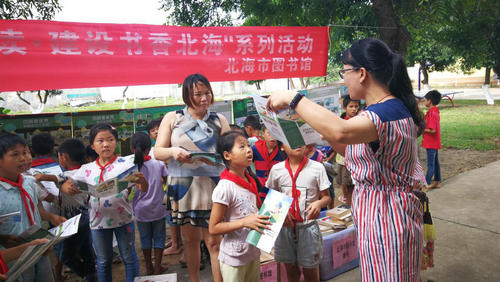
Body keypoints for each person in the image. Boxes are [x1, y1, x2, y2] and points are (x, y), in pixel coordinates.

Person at [267, 38, 426, 281]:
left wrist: (294, 98)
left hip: (388, 217)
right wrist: (319, 132)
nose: (344, 79)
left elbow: (342, 131)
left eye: (345, 72)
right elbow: (347, 144)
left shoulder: (386, 112)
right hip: (377, 215)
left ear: (362, 73)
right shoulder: (379, 111)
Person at [154, 73, 230, 282]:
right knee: (190, 241)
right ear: (187, 94)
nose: (204, 98)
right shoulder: (172, 118)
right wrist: (173, 152)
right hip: (184, 187)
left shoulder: (219, 120)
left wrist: (214, 160)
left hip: (213, 187)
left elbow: (229, 154)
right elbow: (158, 151)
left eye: (207, 93)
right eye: (198, 94)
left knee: (214, 242)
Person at [62, 123, 148, 282]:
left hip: (124, 219)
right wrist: (66, 187)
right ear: (92, 146)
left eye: (110, 139)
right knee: (103, 261)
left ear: (116, 141)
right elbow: (67, 183)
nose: (106, 144)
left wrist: (142, 182)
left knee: (129, 258)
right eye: (100, 141)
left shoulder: (126, 164)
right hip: (98, 223)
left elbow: (143, 188)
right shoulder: (87, 169)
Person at [0, 133, 66, 281]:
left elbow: (34, 208)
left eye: (25, 152)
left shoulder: (29, 182)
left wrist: (52, 217)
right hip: (13, 256)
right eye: (15, 154)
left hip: (39, 247)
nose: (24, 158)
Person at [209, 131, 270, 282]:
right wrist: (244, 222)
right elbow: (213, 228)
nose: (249, 150)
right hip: (233, 258)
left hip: (252, 252)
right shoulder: (225, 188)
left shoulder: (251, 181)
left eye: (249, 145)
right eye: (242, 147)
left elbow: (257, 212)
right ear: (227, 155)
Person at [266, 144, 331, 282]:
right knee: (291, 271)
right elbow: (272, 198)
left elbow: (327, 197)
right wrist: (280, 212)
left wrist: (318, 203)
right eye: (289, 141)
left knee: (311, 271)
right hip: (284, 228)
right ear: (282, 147)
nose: (296, 143)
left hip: (307, 227)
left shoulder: (317, 168)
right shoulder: (277, 170)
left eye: (298, 139)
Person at [36, 138, 96, 281]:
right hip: (85, 216)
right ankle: (91, 276)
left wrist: (38, 176)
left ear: (64, 157)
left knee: (67, 257)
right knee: (86, 251)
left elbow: (53, 177)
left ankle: (87, 275)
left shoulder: (69, 175)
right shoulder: (86, 171)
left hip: (73, 221)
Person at [130, 132, 168, 275]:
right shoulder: (158, 164)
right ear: (149, 148)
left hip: (140, 211)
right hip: (158, 207)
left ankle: (148, 267)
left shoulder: (131, 168)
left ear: (132, 148)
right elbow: (167, 180)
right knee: (159, 237)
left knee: (145, 238)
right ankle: (158, 267)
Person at [146, 119, 184, 257]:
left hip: (175, 186)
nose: (156, 132)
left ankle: (176, 245)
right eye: (153, 130)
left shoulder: (173, 148)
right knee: (171, 217)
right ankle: (176, 241)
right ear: (150, 135)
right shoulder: (153, 151)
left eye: (158, 128)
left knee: (176, 216)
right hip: (163, 189)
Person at [335, 96, 360, 206]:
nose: (354, 109)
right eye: (351, 106)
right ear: (345, 108)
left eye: (356, 106)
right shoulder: (341, 122)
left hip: (357, 158)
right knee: (347, 185)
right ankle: (349, 205)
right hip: (344, 158)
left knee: (355, 187)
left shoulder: (360, 120)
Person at [252, 127, 287, 200]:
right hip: (260, 190)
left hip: (277, 192)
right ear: (263, 134)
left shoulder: (283, 151)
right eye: (269, 133)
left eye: (275, 134)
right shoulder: (255, 149)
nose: (272, 137)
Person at [422, 90, 442, 190]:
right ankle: (437, 181)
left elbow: (432, 130)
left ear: (429, 101)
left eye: (425, 100)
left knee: (430, 165)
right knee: (435, 162)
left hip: (431, 143)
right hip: (433, 142)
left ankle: (426, 184)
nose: (424, 102)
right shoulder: (433, 111)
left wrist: (421, 129)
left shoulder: (432, 113)